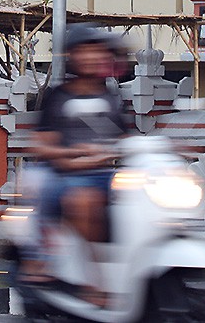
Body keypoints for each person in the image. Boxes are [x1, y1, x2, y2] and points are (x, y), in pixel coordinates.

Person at [25, 23, 128, 304]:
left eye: (97, 51)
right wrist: (70, 156)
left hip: (106, 175)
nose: (92, 57)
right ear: (72, 56)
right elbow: (43, 143)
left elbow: (125, 139)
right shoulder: (59, 96)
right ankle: (93, 280)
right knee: (82, 201)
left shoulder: (111, 97)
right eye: (85, 51)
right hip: (68, 175)